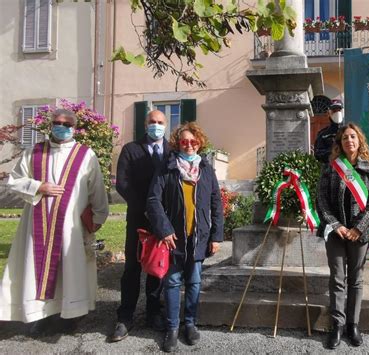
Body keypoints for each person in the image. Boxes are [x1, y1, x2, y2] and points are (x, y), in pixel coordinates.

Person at [0, 109, 109, 334]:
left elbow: (96, 189)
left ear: (74, 128)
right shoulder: (34, 152)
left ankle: (70, 315)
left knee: (69, 269)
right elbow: (14, 180)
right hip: (37, 226)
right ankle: (41, 314)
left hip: (71, 226)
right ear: (51, 125)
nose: (62, 126)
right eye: (57, 123)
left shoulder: (86, 155)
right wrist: (38, 186)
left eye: (67, 124)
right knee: (37, 267)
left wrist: (97, 219)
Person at [147, 122, 223, 353]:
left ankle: (189, 323)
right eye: (184, 141)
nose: (189, 145)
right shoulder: (167, 167)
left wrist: (216, 236)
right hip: (173, 237)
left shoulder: (206, 169)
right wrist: (165, 230)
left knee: (194, 282)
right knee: (171, 282)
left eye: (194, 141)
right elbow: (153, 200)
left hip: (198, 237)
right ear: (178, 144)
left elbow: (216, 204)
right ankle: (171, 328)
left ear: (200, 143)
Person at [316, 123, 369, 349]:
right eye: (345, 138)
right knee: (336, 279)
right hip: (336, 234)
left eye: (353, 137)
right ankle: (337, 326)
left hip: (358, 234)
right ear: (340, 143)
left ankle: (353, 325)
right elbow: (321, 200)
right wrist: (336, 225)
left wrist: (358, 228)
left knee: (356, 280)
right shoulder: (331, 167)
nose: (349, 141)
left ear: (359, 140)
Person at [111, 110, 171, 342]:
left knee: (158, 268)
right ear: (145, 125)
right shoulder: (130, 150)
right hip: (138, 219)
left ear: (166, 126)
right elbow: (122, 184)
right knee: (132, 269)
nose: (156, 126)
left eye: (160, 122)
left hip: (163, 223)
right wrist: (145, 209)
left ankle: (154, 313)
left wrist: (163, 216)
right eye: (152, 122)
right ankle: (125, 316)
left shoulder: (171, 152)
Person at [313, 99, 344, 163]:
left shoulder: (349, 132)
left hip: (348, 169)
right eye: (334, 111)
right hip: (329, 169)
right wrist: (333, 152)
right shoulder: (323, 134)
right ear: (329, 113)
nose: (337, 113)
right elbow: (318, 154)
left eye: (339, 110)